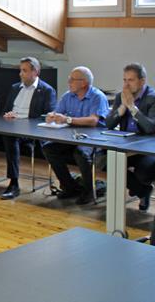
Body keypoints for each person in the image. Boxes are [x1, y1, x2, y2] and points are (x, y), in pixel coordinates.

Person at [0, 57, 56, 200]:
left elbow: (48, 117)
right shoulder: (15, 87)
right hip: (10, 126)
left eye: (24, 71)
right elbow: (5, 110)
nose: (20, 74)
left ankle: (14, 183)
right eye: (20, 70)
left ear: (36, 72)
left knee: (10, 138)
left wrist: (24, 120)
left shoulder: (47, 90)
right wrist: (8, 115)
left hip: (30, 131)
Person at [42, 66, 109, 205]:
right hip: (71, 137)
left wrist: (68, 119)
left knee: (80, 153)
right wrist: (51, 116)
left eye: (72, 79)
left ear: (84, 83)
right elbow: (58, 113)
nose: (69, 82)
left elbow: (93, 120)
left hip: (93, 138)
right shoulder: (68, 96)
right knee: (49, 148)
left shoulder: (97, 97)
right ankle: (69, 186)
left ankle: (89, 190)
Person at [105, 63, 155, 211]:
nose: (126, 84)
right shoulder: (120, 96)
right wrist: (122, 107)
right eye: (124, 80)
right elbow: (109, 124)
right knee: (107, 162)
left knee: (143, 173)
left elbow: (150, 128)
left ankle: (140, 187)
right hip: (128, 144)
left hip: (150, 146)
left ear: (142, 81)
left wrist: (132, 107)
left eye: (131, 80)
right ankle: (142, 191)